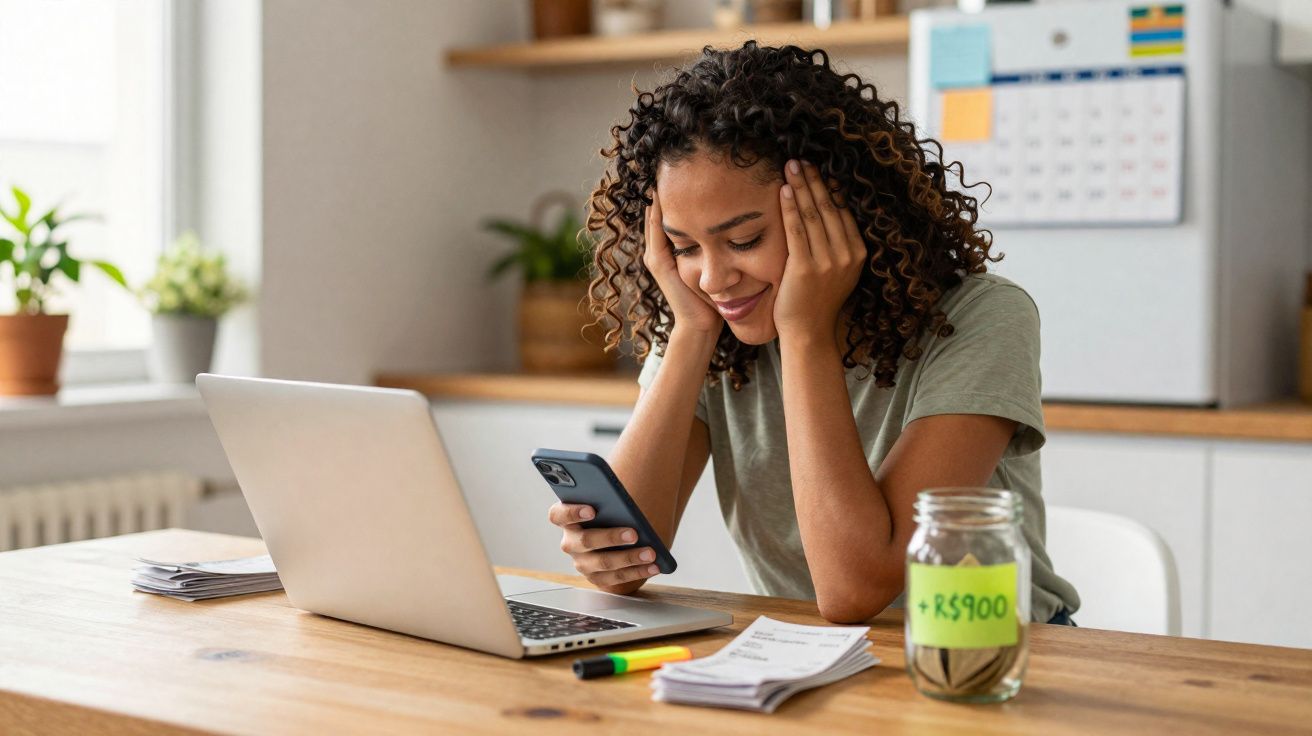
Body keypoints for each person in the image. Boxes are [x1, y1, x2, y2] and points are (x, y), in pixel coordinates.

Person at [546, 42, 1080, 625]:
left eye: (744, 240)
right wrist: (692, 333)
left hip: (991, 650)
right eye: (684, 247)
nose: (714, 278)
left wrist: (804, 334)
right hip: (809, 654)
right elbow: (625, 556)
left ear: (837, 211)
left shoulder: (982, 318)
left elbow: (854, 590)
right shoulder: (707, 322)